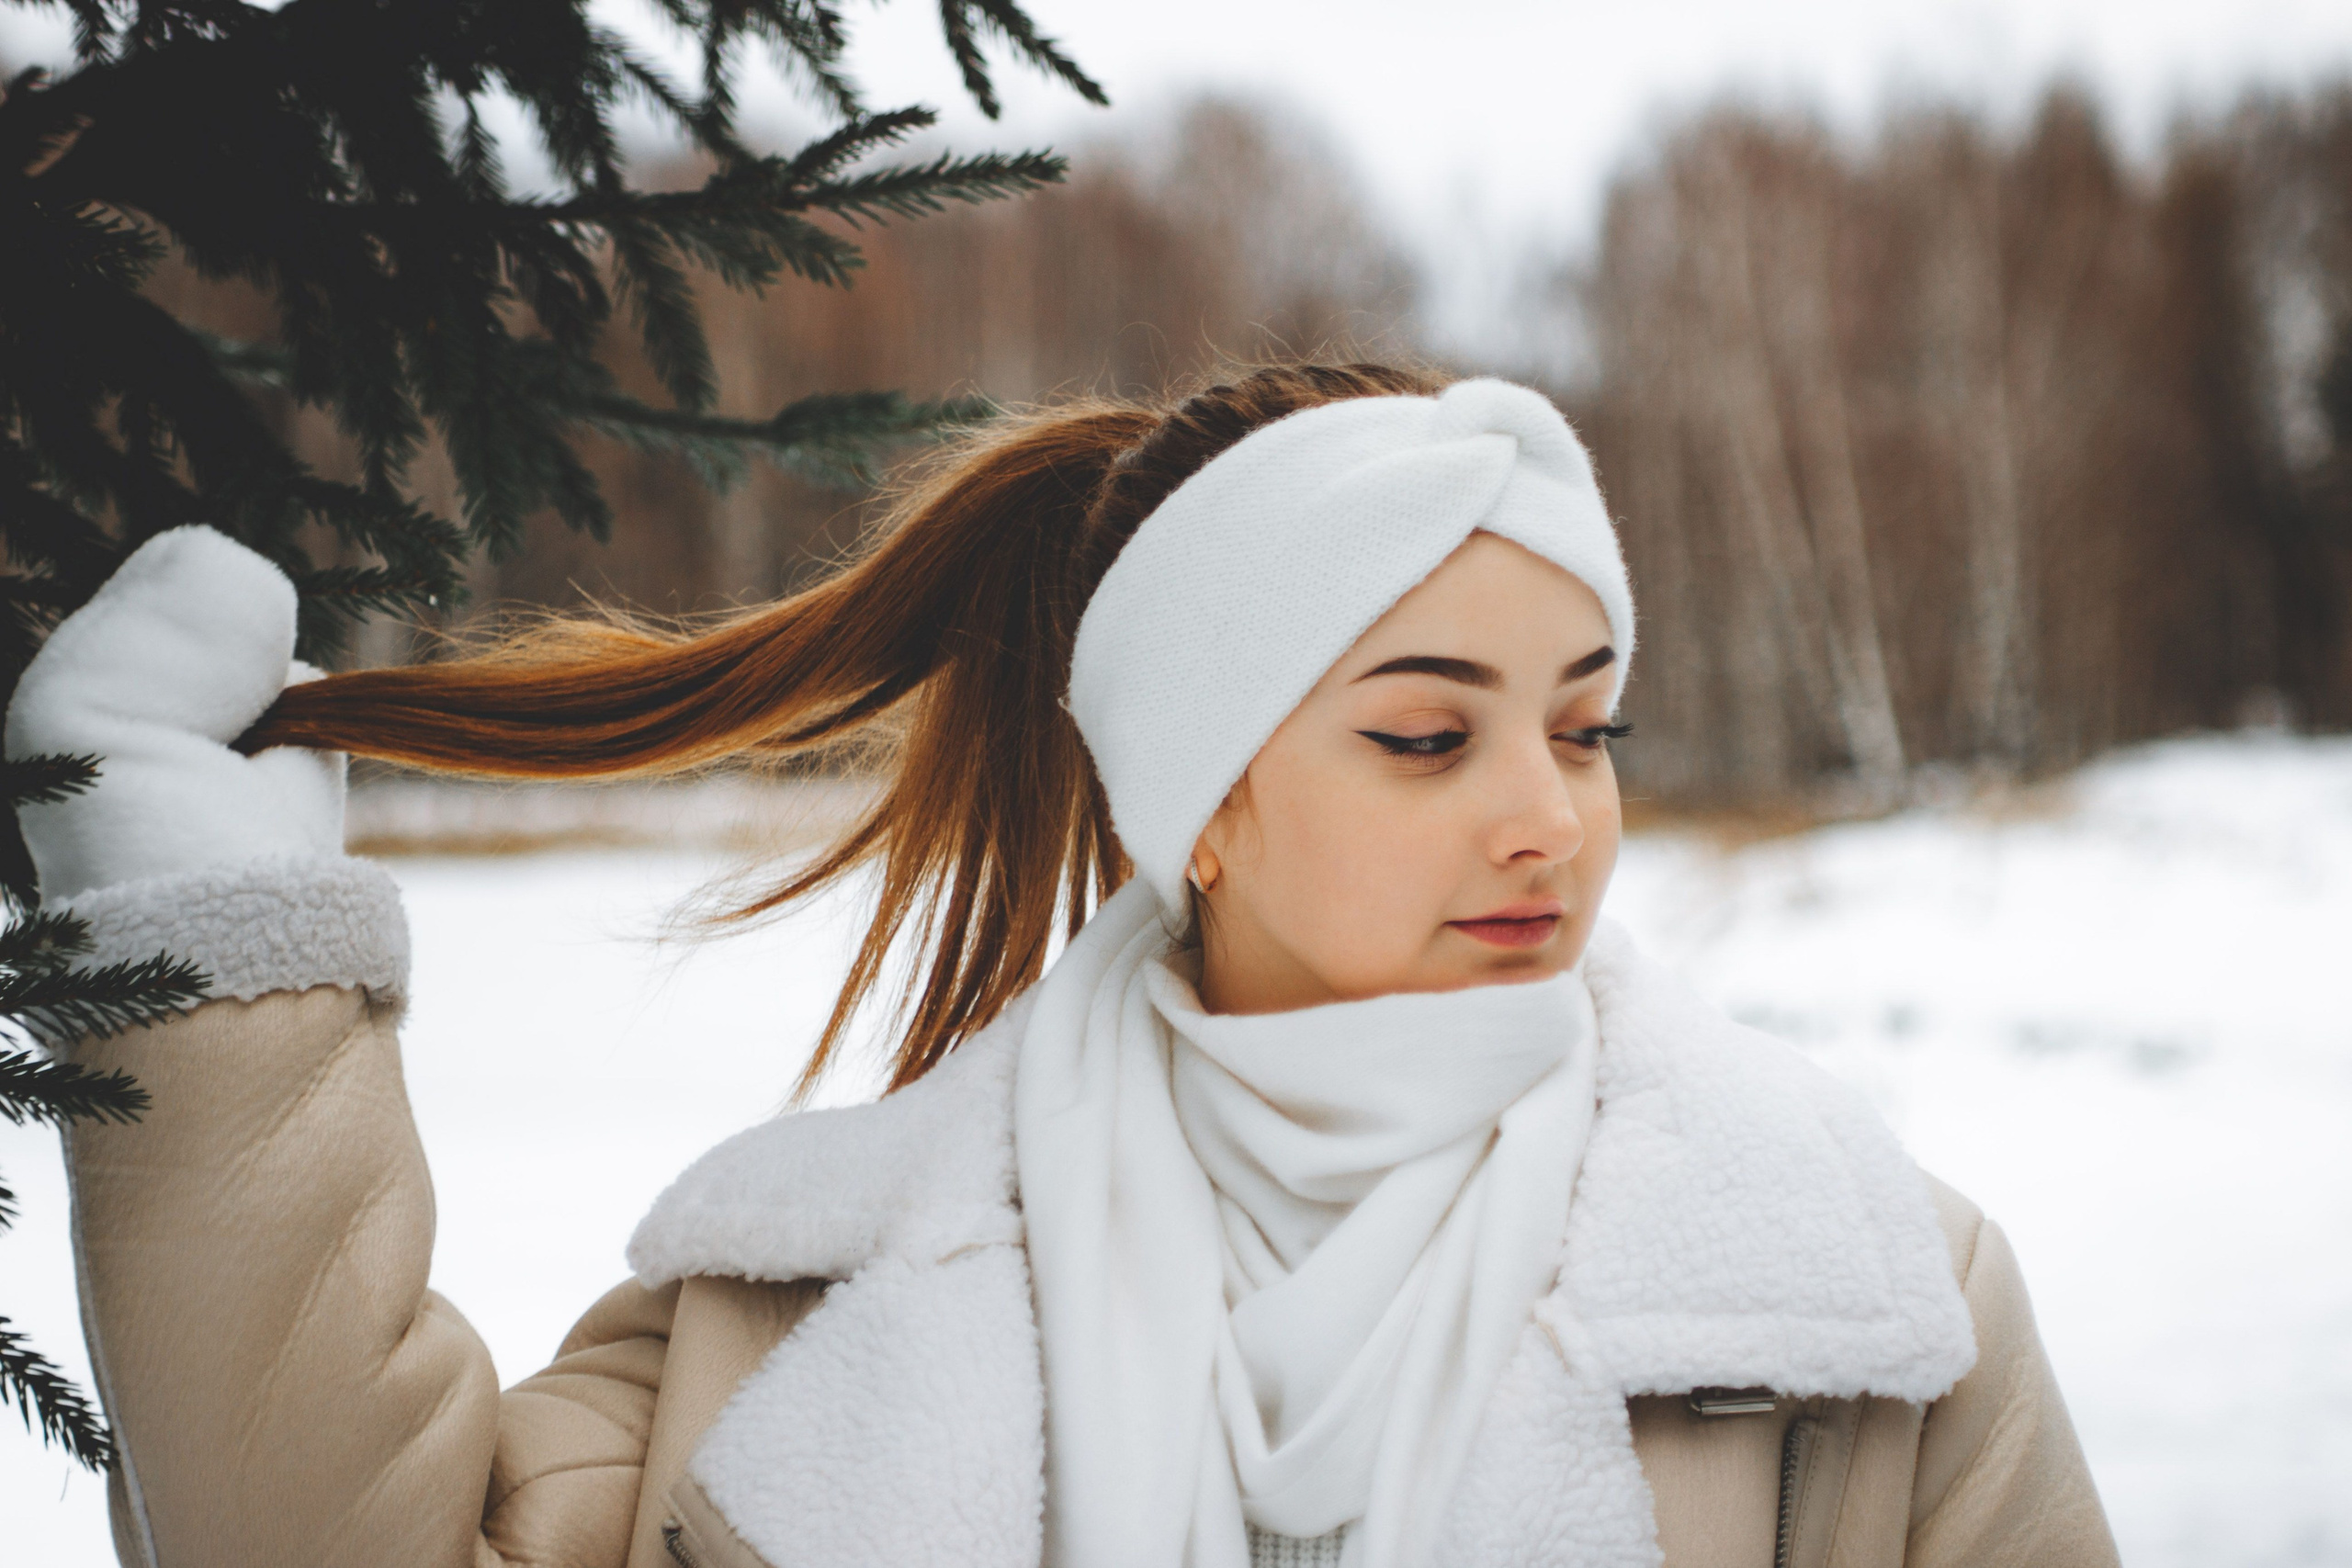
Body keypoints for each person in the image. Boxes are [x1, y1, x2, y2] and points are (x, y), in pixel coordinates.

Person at [6, 364, 2120, 1568]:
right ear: (1200, 793)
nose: (1544, 815)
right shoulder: (784, 1304)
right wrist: (215, 989)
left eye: (1584, 721)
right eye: (1423, 730)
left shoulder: (1862, 1307)